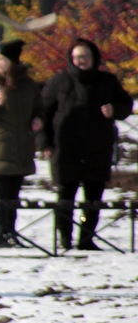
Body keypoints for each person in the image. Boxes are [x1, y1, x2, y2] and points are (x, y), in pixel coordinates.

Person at [39, 39, 134, 250]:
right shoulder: (59, 81)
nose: (82, 61)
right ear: (71, 59)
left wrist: (114, 110)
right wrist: (44, 142)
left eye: (86, 57)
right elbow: (43, 112)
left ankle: (86, 238)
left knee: (93, 199)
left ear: (94, 58)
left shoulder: (106, 81)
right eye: (78, 57)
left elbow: (126, 104)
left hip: (97, 149)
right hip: (66, 149)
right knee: (65, 197)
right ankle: (64, 237)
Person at [0, 40, 41, 250]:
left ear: (12, 62)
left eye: (1, 60)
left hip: (21, 147)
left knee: (14, 196)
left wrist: (39, 119)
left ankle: (10, 233)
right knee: (0, 196)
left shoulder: (28, 85)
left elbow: (40, 107)